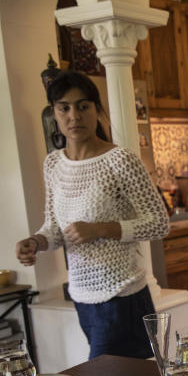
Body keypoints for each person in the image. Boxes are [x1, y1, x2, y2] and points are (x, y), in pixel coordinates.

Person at [15, 70, 169, 359]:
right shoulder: (53, 164)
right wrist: (35, 242)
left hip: (122, 297)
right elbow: (55, 228)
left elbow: (159, 224)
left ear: (97, 111)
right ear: (55, 114)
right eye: (64, 107)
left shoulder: (120, 160)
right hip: (82, 298)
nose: (74, 115)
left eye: (83, 106)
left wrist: (100, 229)